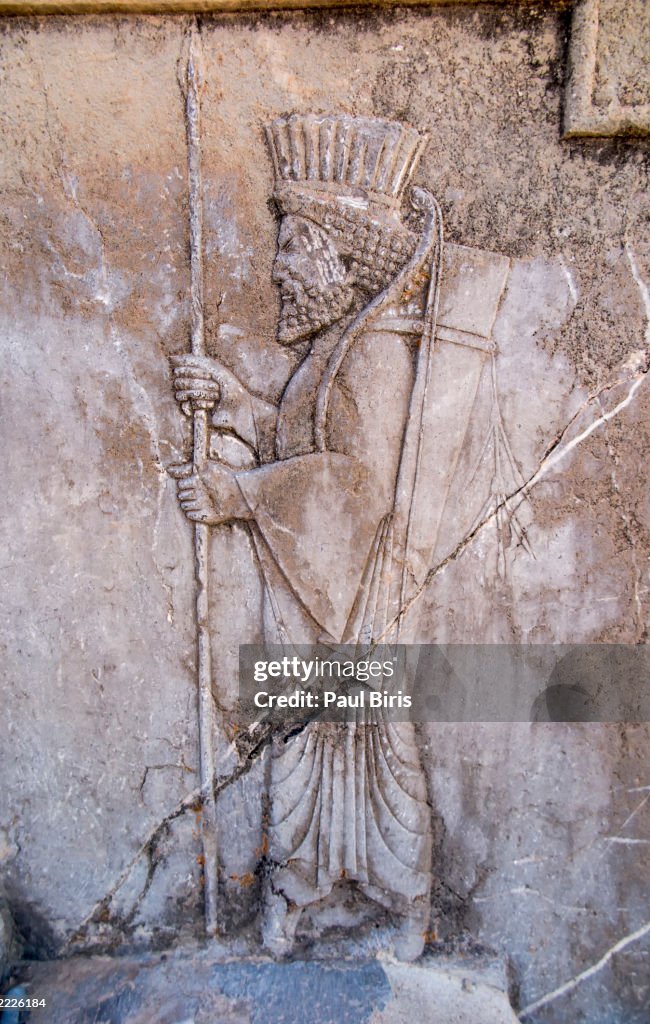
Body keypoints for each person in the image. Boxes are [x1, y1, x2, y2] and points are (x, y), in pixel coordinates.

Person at [169, 114, 438, 958]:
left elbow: (350, 486)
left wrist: (237, 494)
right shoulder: (330, 350)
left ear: (337, 257)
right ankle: (295, 889)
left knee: (377, 760)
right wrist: (234, 398)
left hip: (356, 606)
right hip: (310, 604)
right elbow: (302, 445)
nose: (276, 267)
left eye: (292, 246)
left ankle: (401, 904)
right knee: (299, 756)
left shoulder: (377, 353)